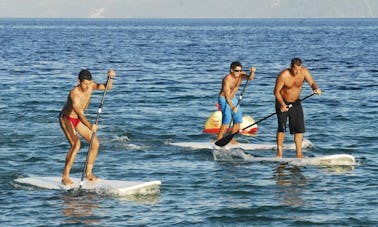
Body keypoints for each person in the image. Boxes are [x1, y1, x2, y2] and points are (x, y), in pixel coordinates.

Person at [59, 69, 116, 185]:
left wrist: (111, 78)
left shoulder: (90, 85)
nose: (87, 86)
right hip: (66, 118)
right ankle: (65, 177)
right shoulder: (74, 94)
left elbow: (107, 87)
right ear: (79, 81)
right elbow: (80, 114)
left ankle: (88, 174)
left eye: (89, 83)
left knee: (95, 142)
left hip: (78, 120)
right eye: (85, 84)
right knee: (76, 145)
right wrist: (90, 125)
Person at [273, 58, 321, 158]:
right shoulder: (284, 75)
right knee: (282, 128)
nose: (297, 72)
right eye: (295, 70)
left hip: (296, 103)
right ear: (291, 66)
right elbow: (276, 92)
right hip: (282, 102)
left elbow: (312, 82)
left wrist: (315, 88)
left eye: (299, 69)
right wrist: (282, 104)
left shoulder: (304, 72)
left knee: (299, 129)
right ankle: (279, 152)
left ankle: (299, 153)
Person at [216, 61, 256, 144]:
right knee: (227, 119)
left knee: (238, 120)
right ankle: (219, 139)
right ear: (231, 70)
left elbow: (250, 78)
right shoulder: (227, 79)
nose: (239, 72)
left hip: (233, 98)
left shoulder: (241, 76)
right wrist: (232, 107)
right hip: (224, 99)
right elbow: (227, 97)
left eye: (240, 70)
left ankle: (231, 139)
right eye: (237, 71)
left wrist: (252, 72)